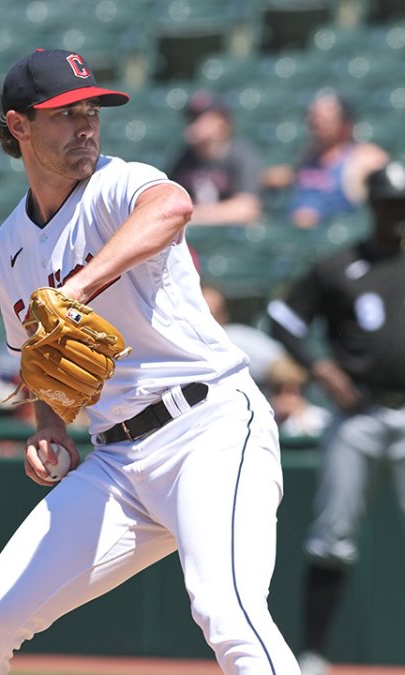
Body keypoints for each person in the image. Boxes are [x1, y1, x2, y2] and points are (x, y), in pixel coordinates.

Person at [0, 48, 298, 673]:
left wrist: (76, 289)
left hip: (207, 427)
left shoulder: (117, 183)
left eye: (91, 110)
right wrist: (50, 429)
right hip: (116, 460)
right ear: (18, 126)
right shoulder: (9, 246)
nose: (85, 124)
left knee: (230, 613)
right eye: (64, 114)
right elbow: (42, 362)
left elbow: (173, 207)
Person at [266, 160, 405, 675]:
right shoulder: (342, 265)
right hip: (359, 414)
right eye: (390, 205)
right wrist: (322, 368)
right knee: (332, 534)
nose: (398, 216)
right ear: (372, 207)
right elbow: (283, 319)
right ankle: (314, 656)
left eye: (403, 207)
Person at [263, 89, 389, 229]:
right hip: (294, 233)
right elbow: (289, 176)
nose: (315, 126)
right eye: (312, 121)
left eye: (323, 121)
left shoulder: (362, 158)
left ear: (344, 123)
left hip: (335, 236)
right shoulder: (310, 154)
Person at [168, 90, 263, 227]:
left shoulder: (241, 156)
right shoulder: (183, 158)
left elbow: (247, 208)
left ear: (221, 123)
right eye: (191, 118)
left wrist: (193, 215)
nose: (194, 124)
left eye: (200, 118)